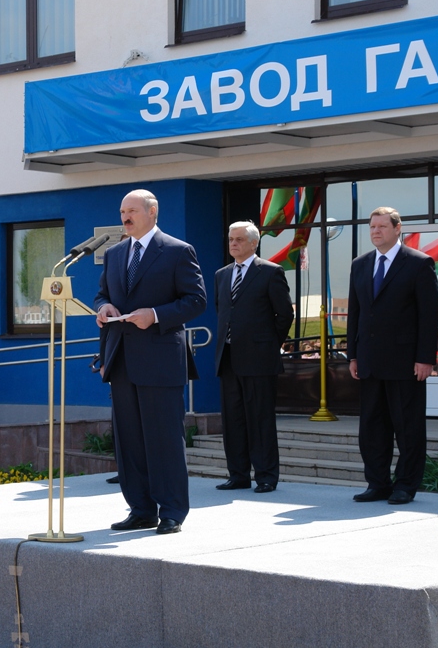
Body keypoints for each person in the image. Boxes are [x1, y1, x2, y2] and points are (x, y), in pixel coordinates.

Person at [95, 189, 207, 535]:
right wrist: (103, 307)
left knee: (163, 440)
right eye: (122, 212)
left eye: (131, 211)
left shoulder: (177, 251)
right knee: (129, 442)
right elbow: (103, 294)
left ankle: (172, 511)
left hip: (160, 361)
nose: (125, 217)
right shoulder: (114, 254)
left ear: (152, 212)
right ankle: (141, 509)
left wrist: (155, 315)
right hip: (122, 360)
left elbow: (196, 301)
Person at [347, 207, 438, 505]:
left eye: (382, 226)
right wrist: (353, 355)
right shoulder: (360, 264)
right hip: (369, 361)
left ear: (398, 228)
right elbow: (355, 313)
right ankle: (377, 483)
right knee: (372, 427)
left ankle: (405, 485)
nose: (376, 231)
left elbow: (429, 316)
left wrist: (425, 358)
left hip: (405, 362)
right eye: (372, 227)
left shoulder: (419, 263)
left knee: (407, 426)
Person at [213, 221, 294, 494]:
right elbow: (222, 312)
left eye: (239, 239)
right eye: (230, 239)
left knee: (260, 420)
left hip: (259, 359)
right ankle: (238, 475)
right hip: (228, 358)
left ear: (253, 243)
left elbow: (285, 314)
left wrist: (269, 344)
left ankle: (266, 476)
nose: (233, 243)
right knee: (233, 420)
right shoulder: (222, 275)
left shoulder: (270, 272)